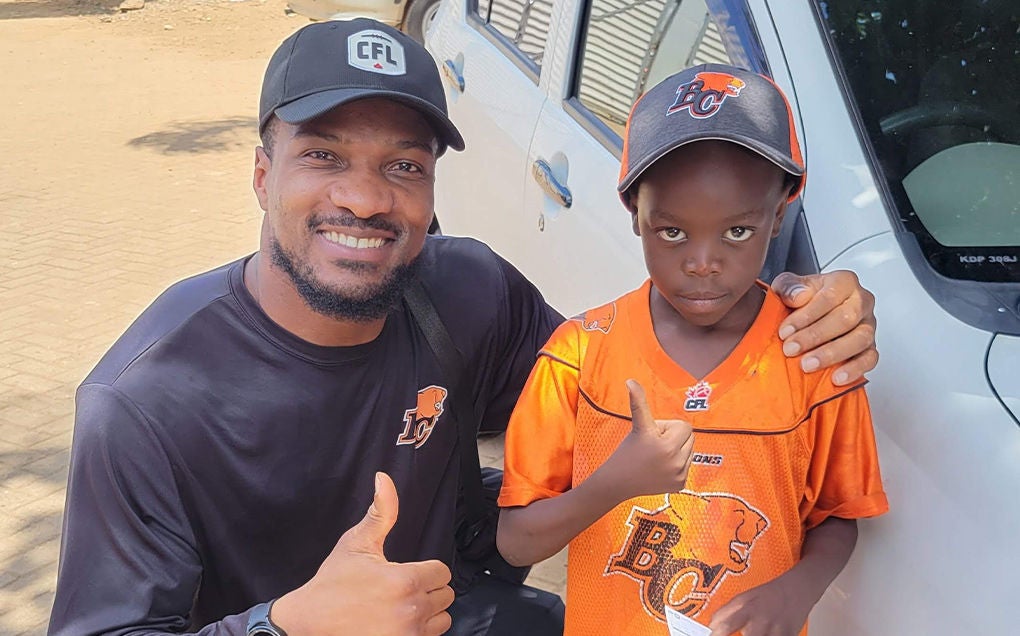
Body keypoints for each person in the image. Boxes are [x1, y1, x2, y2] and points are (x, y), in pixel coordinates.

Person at [48, 19, 879, 636]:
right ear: (263, 174)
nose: (367, 199)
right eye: (325, 156)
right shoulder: (147, 401)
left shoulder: (468, 290)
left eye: (403, 166)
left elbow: (631, 380)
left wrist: (795, 303)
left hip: (454, 611)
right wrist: (289, 624)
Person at [496, 65, 890, 636]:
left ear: (778, 215)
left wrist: (797, 590)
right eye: (673, 232)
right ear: (635, 214)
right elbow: (515, 543)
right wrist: (617, 481)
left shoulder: (814, 355)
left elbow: (838, 513)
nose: (703, 262)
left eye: (736, 232)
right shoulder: (578, 356)